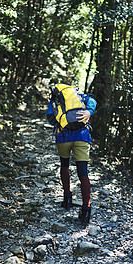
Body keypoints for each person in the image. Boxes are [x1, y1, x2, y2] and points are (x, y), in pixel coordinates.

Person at [46, 85, 97, 223]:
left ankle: (67, 198)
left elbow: (50, 116)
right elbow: (92, 100)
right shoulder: (79, 96)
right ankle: (86, 209)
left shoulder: (55, 99)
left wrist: (62, 122)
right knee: (83, 173)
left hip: (63, 137)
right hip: (82, 136)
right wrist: (89, 112)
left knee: (64, 165)